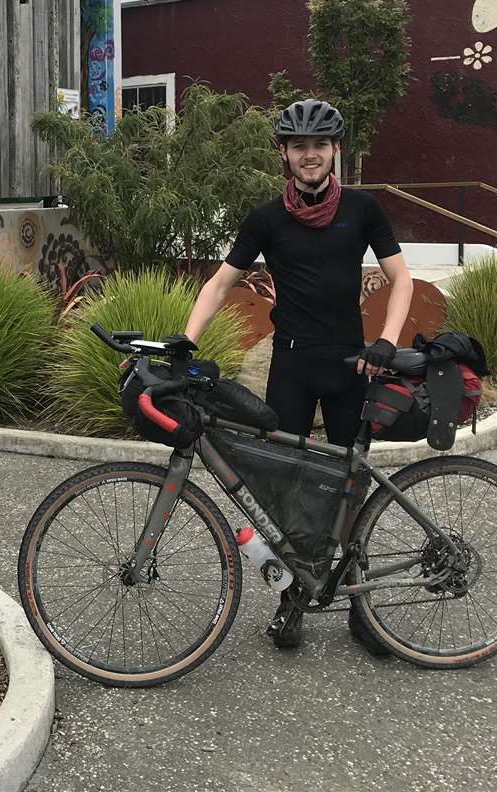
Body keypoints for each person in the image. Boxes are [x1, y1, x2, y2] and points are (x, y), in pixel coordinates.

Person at [182, 98, 413, 654]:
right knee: (281, 483)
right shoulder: (266, 219)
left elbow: (400, 280)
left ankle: (361, 606)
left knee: (349, 487)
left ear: (335, 151)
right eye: (298, 146)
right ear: (284, 153)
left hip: (350, 363)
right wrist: (185, 343)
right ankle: (293, 600)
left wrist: (385, 341)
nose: (309, 155)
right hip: (291, 363)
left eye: (320, 145)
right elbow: (218, 285)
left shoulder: (362, 210)